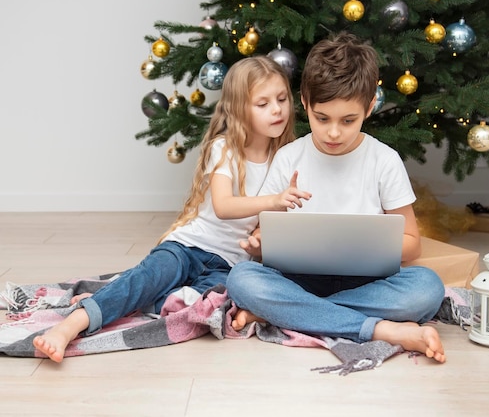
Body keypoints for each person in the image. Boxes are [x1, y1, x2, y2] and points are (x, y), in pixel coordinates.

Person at [32, 55, 311, 363]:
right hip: (188, 247)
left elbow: (267, 226)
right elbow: (223, 206)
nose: (277, 109)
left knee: (202, 307)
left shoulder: (285, 159)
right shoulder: (225, 148)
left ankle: (121, 297)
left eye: (282, 99)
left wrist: (258, 243)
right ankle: (70, 326)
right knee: (152, 276)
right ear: (239, 110)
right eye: (263, 103)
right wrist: (274, 201)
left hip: (227, 265)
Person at [227, 33, 446, 363]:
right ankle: (380, 329)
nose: (333, 133)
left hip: (367, 283)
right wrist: (260, 244)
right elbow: (265, 231)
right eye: (322, 118)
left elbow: (413, 243)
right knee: (242, 279)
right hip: (298, 279)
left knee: (428, 288)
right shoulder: (288, 158)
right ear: (305, 102)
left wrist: (360, 246)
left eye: (348, 121)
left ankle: (289, 313)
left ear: (370, 106)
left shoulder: (384, 160)